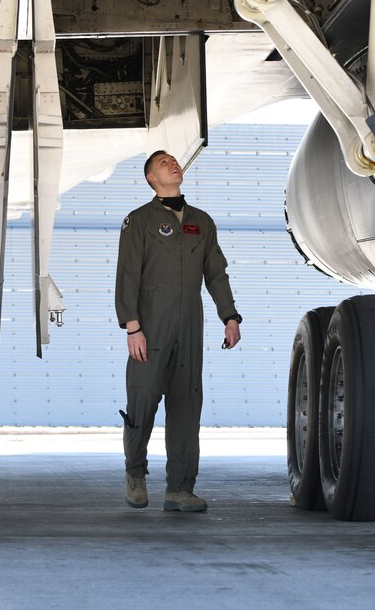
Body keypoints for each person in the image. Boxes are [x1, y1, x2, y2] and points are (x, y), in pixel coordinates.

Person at [115, 149, 242, 512]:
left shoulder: (201, 222)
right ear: (151, 179)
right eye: (162, 162)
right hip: (150, 327)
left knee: (187, 406)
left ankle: (180, 490)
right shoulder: (138, 221)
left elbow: (216, 273)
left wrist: (230, 316)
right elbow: (127, 275)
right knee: (142, 402)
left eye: (174, 159)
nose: (173, 163)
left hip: (190, 327)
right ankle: (135, 475)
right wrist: (132, 326)